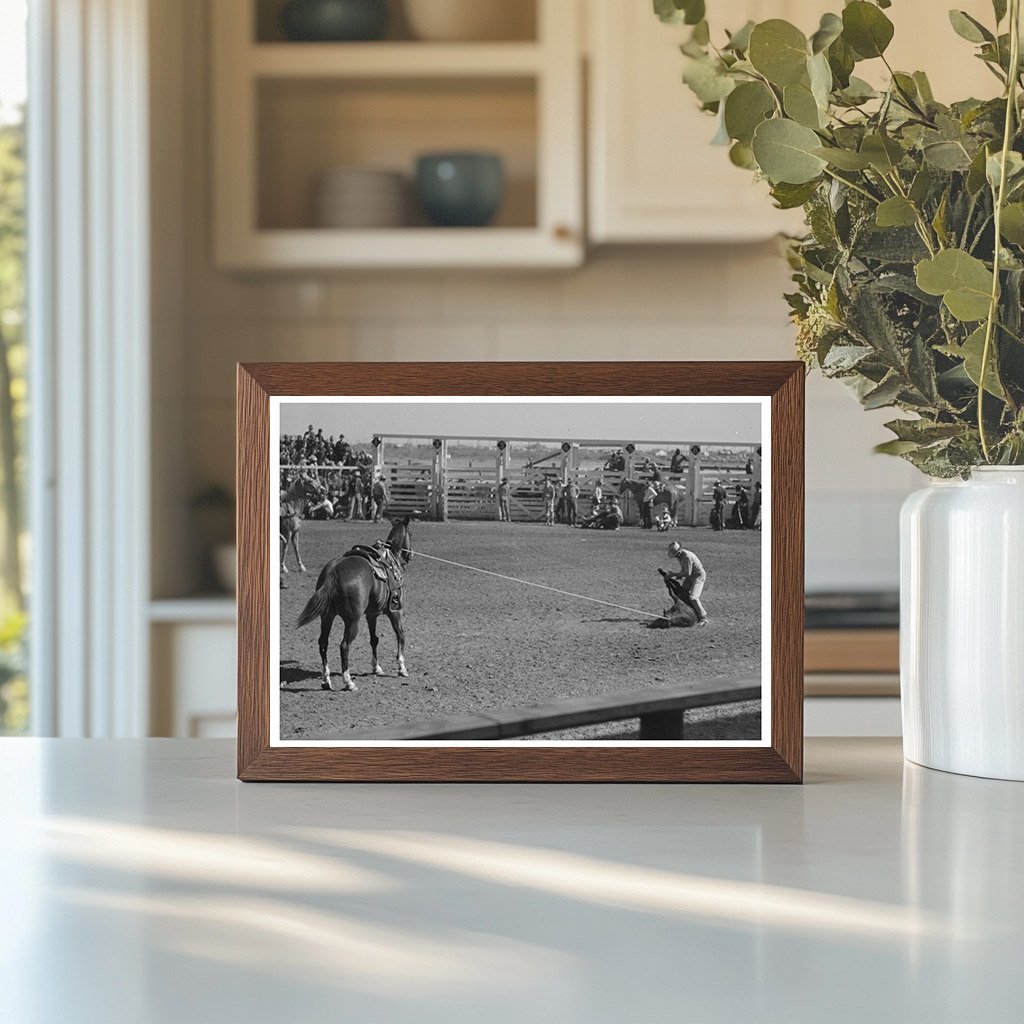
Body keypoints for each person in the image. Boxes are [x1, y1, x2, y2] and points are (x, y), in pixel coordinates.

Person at [661, 541, 708, 626]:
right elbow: (685, 571)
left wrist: (673, 574)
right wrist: (678, 575)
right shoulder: (681, 556)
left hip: (698, 576)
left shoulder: (686, 557)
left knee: (693, 597)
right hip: (691, 577)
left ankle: (703, 617)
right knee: (682, 593)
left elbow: (687, 573)